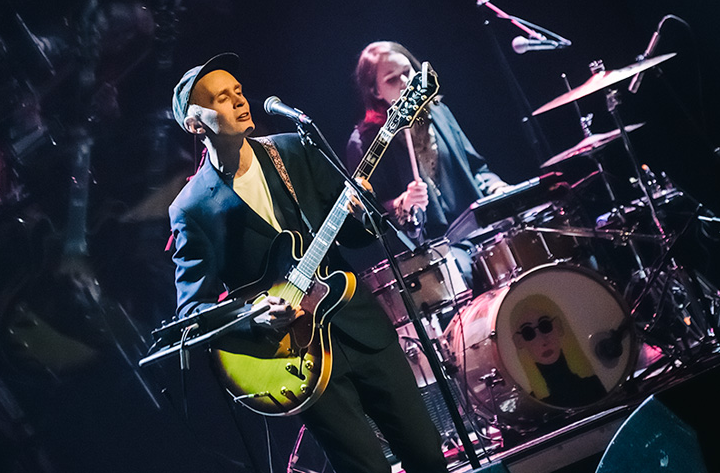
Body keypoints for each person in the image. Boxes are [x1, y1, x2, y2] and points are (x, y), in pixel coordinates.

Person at [167, 52, 448, 473]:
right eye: (222, 98)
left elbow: (359, 234)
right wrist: (254, 318)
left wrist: (363, 210)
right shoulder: (191, 209)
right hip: (301, 361)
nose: (240, 101)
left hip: (360, 330)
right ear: (195, 123)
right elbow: (192, 312)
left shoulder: (294, 149)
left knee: (428, 456)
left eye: (239, 91)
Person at [346, 41, 511, 294]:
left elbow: (476, 170)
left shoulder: (440, 112)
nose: (405, 82)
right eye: (392, 79)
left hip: (479, 231)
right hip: (433, 251)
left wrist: (498, 188)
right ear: (375, 91)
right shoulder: (365, 143)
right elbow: (369, 215)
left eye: (408, 71)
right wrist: (403, 202)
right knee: (463, 274)